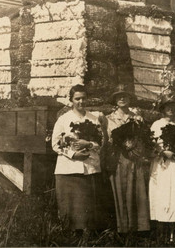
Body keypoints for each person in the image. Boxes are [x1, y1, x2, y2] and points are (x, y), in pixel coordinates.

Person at [51, 84, 105, 241]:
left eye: (83, 98)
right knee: (71, 205)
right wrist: (73, 154)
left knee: (87, 205)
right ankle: (71, 238)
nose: (81, 102)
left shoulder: (93, 119)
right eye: (77, 99)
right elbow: (55, 144)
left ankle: (88, 238)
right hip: (69, 168)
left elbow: (100, 143)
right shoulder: (64, 119)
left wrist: (87, 144)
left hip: (90, 167)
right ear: (71, 100)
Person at [102, 84, 151, 234]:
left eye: (125, 96)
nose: (122, 98)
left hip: (134, 160)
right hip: (118, 159)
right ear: (115, 100)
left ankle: (138, 227)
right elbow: (106, 141)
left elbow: (144, 139)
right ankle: (122, 228)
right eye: (118, 96)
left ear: (130, 99)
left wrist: (136, 149)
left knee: (136, 190)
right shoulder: (108, 119)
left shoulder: (137, 118)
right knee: (120, 190)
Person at [149, 90, 175, 242]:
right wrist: (163, 152)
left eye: (174, 106)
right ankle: (162, 233)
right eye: (168, 107)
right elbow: (151, 144)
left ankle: (174, 234)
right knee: (163, 196)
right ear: (163, 109)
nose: (171, 110)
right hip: (162, 165)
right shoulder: (157, 124)